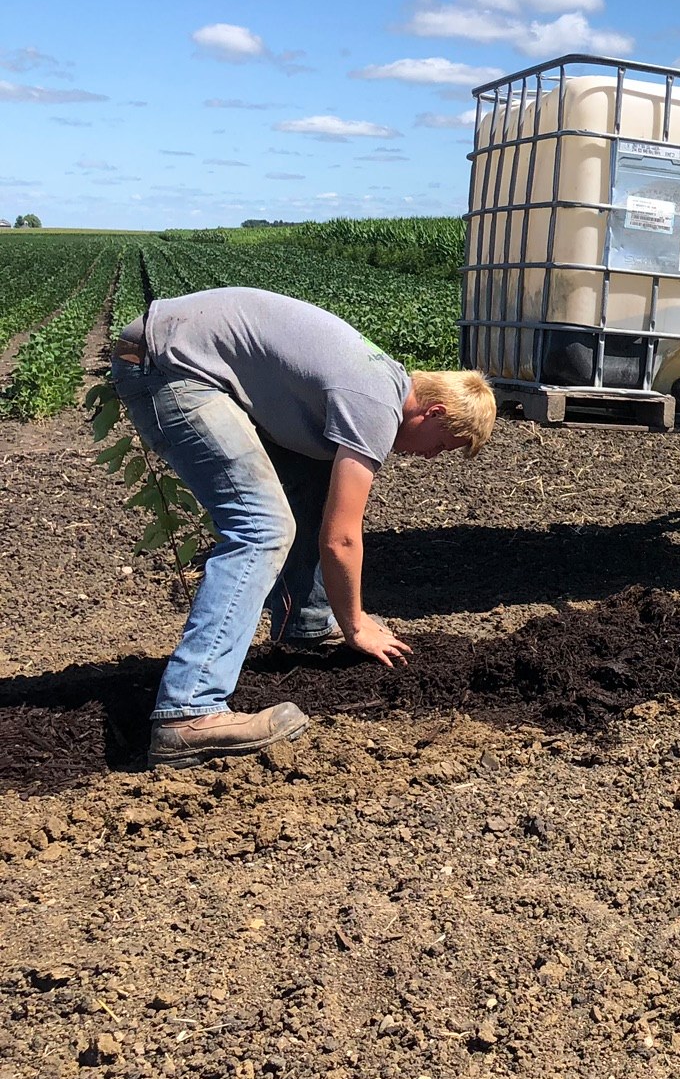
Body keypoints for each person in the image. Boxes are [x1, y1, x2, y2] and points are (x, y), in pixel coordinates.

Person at [109, 288, 496, 767]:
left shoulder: (380, 382)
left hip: (170, 348)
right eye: (447, 443)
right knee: (261, 526)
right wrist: (356, 626)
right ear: (433, 413)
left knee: (313, 469)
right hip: (170, 365)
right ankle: (189, 710)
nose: (435, 456)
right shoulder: (375, 404)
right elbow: (342, 537)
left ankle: (308, 621)